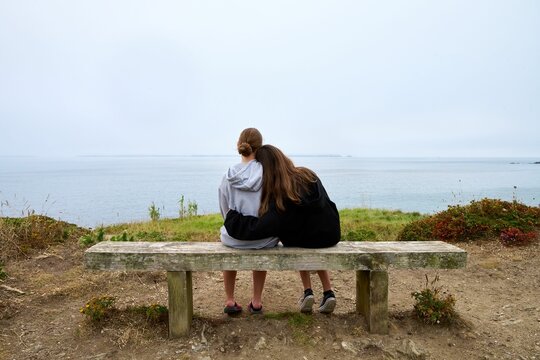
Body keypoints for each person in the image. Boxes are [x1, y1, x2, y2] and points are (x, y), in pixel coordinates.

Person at [224, 144, 340, 314]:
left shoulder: (281, 192)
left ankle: (308, 291)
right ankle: (328, 292)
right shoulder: (308, 174)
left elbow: (259, 228)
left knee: (296, 239)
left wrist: (232, 218)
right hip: (330, 234)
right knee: (305, 233)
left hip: (303, 240)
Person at [218, 128, 279, 315]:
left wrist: (233, 227)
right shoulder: (268, 173)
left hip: (234, 237)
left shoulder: (229, 174)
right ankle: (257, 302)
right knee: (265, 240)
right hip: (262, 238)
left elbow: (224, 209)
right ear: (259, 148)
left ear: (239, 145)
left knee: (226, 238)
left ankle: (230, 300)